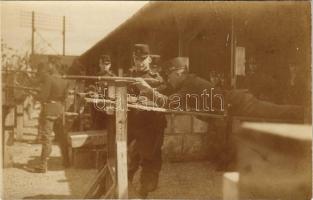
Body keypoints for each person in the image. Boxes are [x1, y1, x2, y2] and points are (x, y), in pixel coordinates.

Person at [135, 56, 303, 120]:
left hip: (239, 103)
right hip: (233, 106)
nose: (167, 79)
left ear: (179, 73)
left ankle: (306, 111)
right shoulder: (187, 82)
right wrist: (153, 86)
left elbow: (168, 103)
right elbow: (166, 90)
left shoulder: (190, 85)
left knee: (279, 112)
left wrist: (148, 90)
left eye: (168, 75)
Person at [127, 44, 166, 198]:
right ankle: (125, 185)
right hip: (134, 123)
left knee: (150, 158)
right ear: (133, 59)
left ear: (149, 59)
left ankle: (144, 191)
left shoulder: (157, 79)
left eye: (143, 59)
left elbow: (163, 99)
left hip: (151, 126)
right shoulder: (128, 77)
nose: (140, 62)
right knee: (131, 158)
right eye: (137, 59)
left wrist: (146, 97)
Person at [31, 56, 69, 173]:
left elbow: (43, 97)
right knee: (62, 137)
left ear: (52, 65)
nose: (48, 66)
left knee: (47, 138)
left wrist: (34, 94)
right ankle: (66, 161)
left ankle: (43, 165)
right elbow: (64, 97)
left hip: (49, 111)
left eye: (49, 64)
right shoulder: (64, 80)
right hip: (60, 110)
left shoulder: (49, 78)